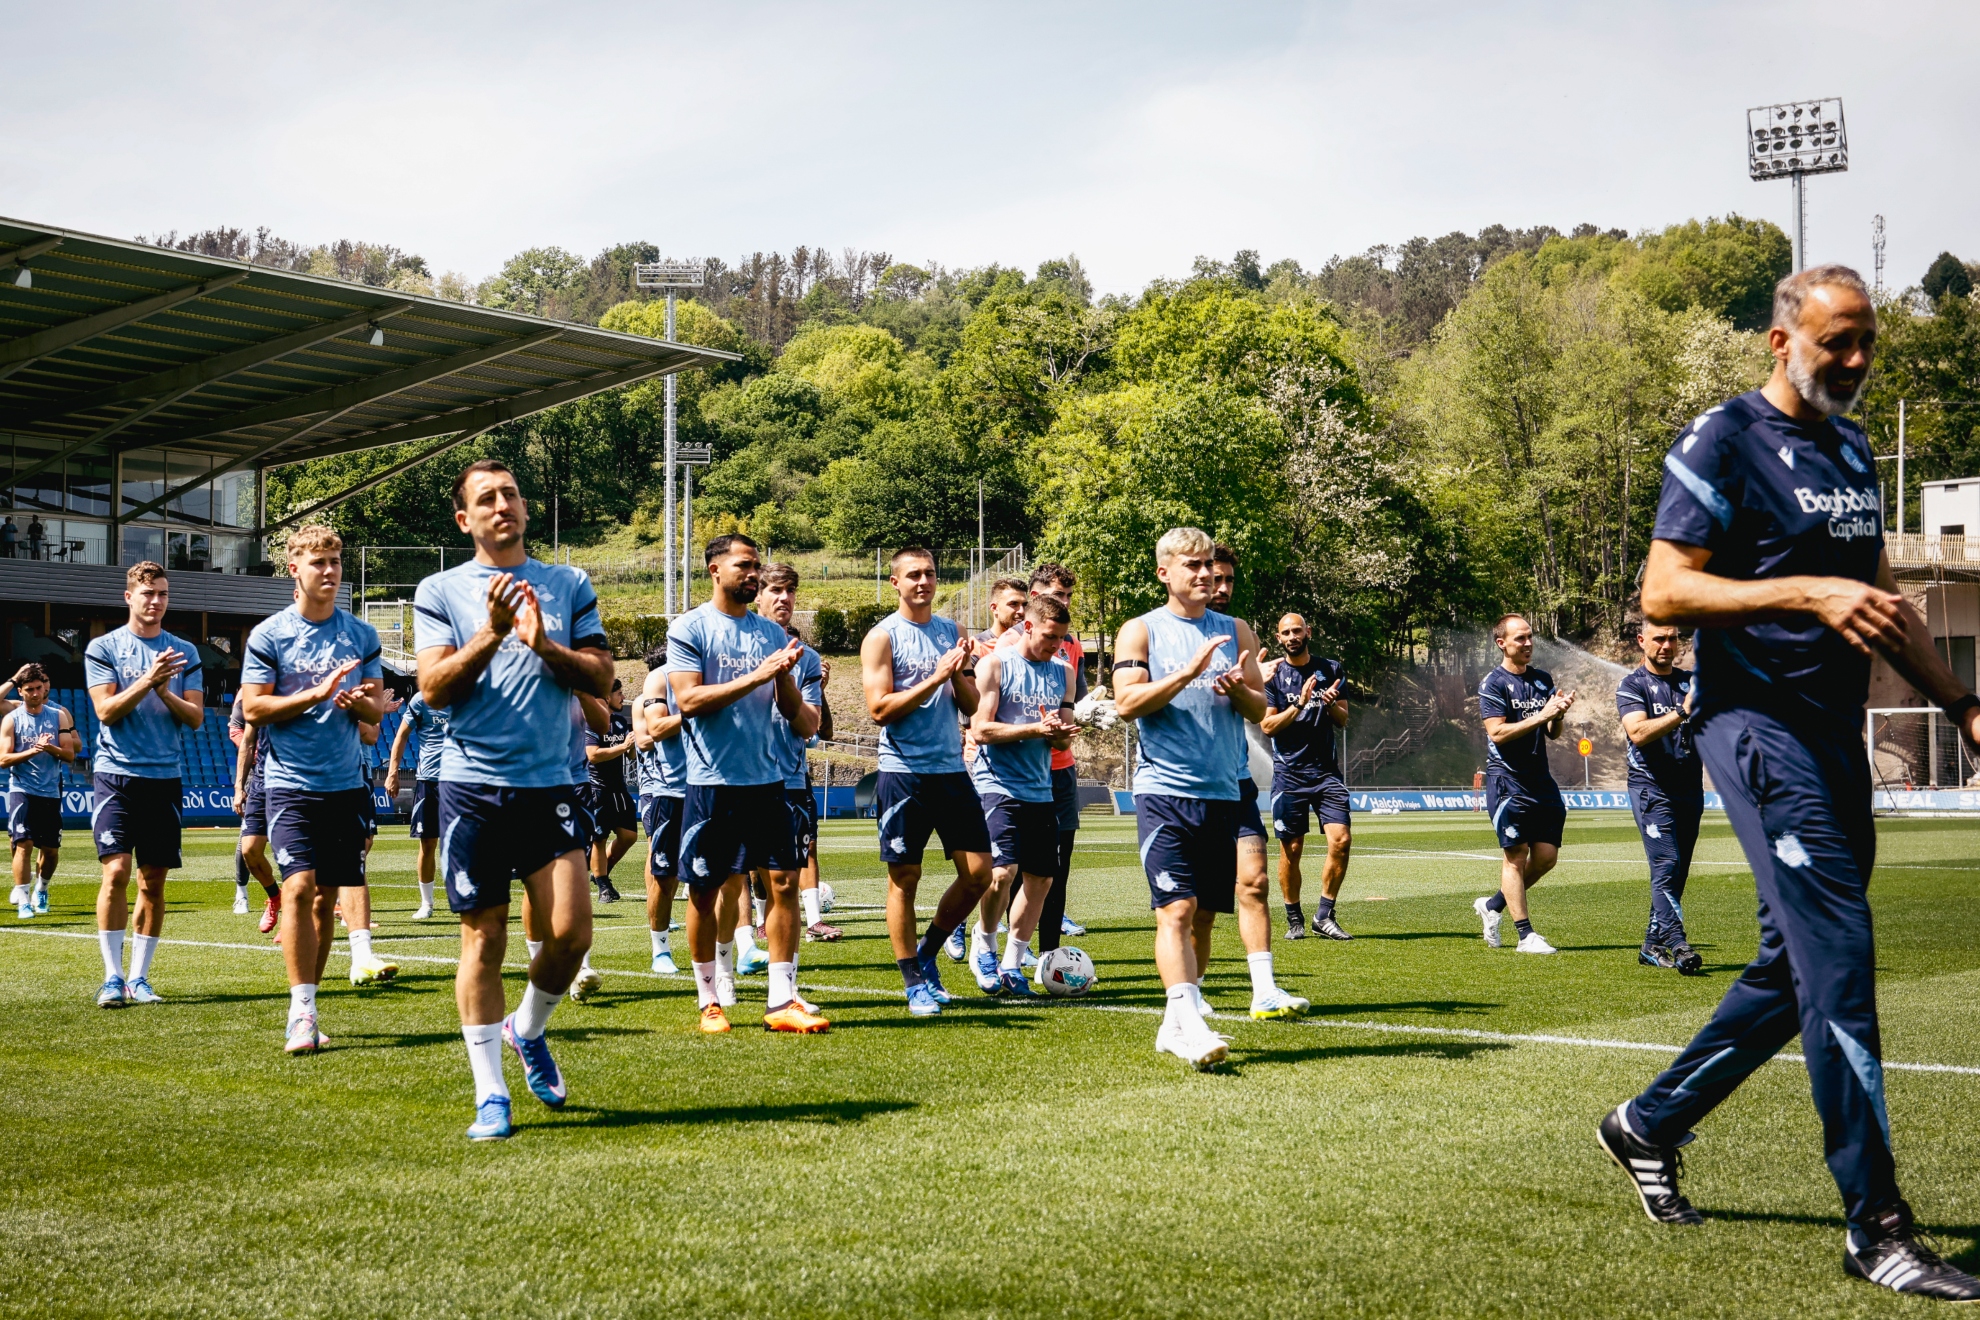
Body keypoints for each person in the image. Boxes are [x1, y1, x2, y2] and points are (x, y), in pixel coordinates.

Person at [1596, 265, 1980, 1302]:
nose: (1854, 364)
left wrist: (1962, 707)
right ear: (1780, 341)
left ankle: (1648, 1121)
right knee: (1842, 961)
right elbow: (1665, 589)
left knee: (1794, 968)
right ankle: (1879, 1226)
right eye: (1835, 343)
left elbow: (1886, 602)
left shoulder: (1852, 448)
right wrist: (1803, 590)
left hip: (1831, 737)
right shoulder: (1722, 440)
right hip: (1756, 732)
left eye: (1867, 345)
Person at [414, 459, 614, 1142]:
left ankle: (526, 1028)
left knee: (572, 934)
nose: (503, 505)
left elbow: (600, 674)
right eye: (486, 499)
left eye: (511, 494)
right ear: (465, 519)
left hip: (553, 784)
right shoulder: (440, 589)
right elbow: (434, 687)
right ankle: (490, 1094)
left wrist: (542, 641)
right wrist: (493, 632)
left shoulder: (569, 583)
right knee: (484, 939)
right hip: (472, 788)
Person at [1113, 527, 1266, 1069]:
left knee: (1202, 916)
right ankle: (1188, 1019)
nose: (1203, 575)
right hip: (1165, 792)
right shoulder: (1141, 632)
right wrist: (1186, 674)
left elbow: (1260, 712)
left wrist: (1238, 689)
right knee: (1175, 908)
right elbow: (1128, 703)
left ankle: (1177, 1021)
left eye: (1208, 565)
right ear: (1164, 573)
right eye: (1191, 566)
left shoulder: (1236, 629)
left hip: (1223, 793)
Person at [667, 534, 828, 1035]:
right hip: (712, 783)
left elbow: (799, 720)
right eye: (743, 565)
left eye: (756, 565)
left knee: (782, 884)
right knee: (704, 892)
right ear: (715, 569)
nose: (753, 573)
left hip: (769, 782)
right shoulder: (689, 627)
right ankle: (709, 999)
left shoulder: (773, 635)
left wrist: (782, 677)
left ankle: (782, 1000)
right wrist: (758, 676)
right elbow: (689, 701)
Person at [238, 525, 390, 1053]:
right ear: (294, 570)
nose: (329, 570)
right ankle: (299, 1014)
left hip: (346, 785)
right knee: (299, 888)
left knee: (327, 901)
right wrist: (314, 695)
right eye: (318, 562)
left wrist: (357, 703)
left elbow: (376, 710)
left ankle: (312, 1002)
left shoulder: (361, 635)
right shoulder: (270, 635)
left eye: (336, 561)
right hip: (289, 784)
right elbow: (254, 708)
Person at [860, 546, 995, 1017]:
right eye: (913, 575)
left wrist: (957, 674)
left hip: (951, 771)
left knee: (980, 873)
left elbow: (974, 704)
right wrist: (935, 677)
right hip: (903, 773)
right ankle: (913, 981)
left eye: (930, 574)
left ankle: (928, 953)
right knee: (905, 877)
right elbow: (879, 711)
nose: (924, 582)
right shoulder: (882, 637)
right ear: (895, 582)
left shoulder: (952, 632)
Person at [84, 561, 203, 1007]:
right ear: (128, 597)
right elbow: (105, 711)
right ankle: (112, 977)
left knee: (153, 880)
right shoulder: (104, 647)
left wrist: (164, 690)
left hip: (164, 778)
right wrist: (148, 681)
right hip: (115, 774)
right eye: (148, 593)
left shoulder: (185, 651)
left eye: (163, 595)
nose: (156, 602)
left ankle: (139, 978)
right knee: (115, 872)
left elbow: (194, 717)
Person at [1208, 545, 1308, 1019]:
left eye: (1229, 579)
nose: (1223, 588)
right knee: (1198, 905)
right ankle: (1190, 993)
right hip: (1184, 787)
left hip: (1237, 779)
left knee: (1254, 882)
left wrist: (1254, 684)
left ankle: (1264, 989)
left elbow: (1258, 711)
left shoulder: (1237, 633)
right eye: (1215, 578)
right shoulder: (1157, 633)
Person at [969, 595, 1078, 997]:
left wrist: (1069, 728)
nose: (1057, 646)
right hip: (997, 783)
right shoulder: (996, 664)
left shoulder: (1063, 671)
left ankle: (1013, 963)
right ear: (1028, 626)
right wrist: (1036, 729)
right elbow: (981, 730)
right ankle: (984, 944)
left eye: (1063, 639)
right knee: (1001, 874)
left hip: (1041, 787)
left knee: (1042, 880)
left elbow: (1062, 728)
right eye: (1051, 637)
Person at [1472, 614, 1573, 955]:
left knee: (1546, 857)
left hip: (1540, 780)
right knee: (1516, 855)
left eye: (1530, 637)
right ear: (1502, 644)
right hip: (1507, 781)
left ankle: (1493, 904)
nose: (1528, 643)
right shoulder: (1493, 684)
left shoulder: (1543, 679)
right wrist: (1543, 715)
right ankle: (1525, 935)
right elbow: (1497, 733)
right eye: (1520, 639)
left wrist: (1557, 715)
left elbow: (1551, 733)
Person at [1615, 615, 1704, 974]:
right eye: (1658, 639)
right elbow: (1637, 732)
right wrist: (1684, 710)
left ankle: (1652, 946)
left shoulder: (1691, 682)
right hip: (1651, 789)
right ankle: (1678, 943)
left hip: (1689, 788)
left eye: (1672, 639)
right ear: (1641, 640)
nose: (1666, 646)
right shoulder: (1631, 685)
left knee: (1678, 870)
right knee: (1665, 863)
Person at [757, 563, 840, 944]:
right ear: (757, 594)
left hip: (789, 773)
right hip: (739, 772)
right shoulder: (736, 643)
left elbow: (812, 726)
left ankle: (809, 923)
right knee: (741, 866)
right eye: (775, 589)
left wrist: (798, 682)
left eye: (790, 590)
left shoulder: (807, 657)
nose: (784, 598)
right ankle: (742, 942)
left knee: (804, 849)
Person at [1261, 613, 1353, 941]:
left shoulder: (1331, 669)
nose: (1292, 636)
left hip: (1327, 773)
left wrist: (1329, 705)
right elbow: (1267, 726)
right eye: (1285, 632)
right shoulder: (1273, 675)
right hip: (1289, 775)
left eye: (1296, 630)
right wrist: (1299, 705)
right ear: (1278, 637)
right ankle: (1294, 917)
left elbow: (1343, 719)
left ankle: (1324, 915)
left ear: (1308, 632)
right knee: (1292, 848)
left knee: (1341, 841)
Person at [3, 664, 77, 919]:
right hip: (21, 788)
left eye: (39, 688)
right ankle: (23, 897)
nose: (36, 693)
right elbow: (3, 759)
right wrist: (32, 751)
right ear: (21, 691)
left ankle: (41, 888)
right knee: (23, 842)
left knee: (51, 850)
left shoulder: (59, 716)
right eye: (30, 689)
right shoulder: (11, 719)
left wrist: (49, 749)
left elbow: (69, 754)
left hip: (50, 790)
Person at [630, 646, 687, 973]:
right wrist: (687, 716)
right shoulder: (645, 698)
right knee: (657, 856)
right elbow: (645, 739)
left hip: (699, 784)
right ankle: (660, 941)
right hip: (657, 786)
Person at [384, 689, 450, 919]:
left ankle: (467, 898)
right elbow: (401, 734)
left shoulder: (468, 694)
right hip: (428, 780)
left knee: (465, 843)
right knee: (428, 842)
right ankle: (427, 903)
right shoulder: (422, 699)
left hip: (461, 780)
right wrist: (393, 772)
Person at [581, 678, 639, 905]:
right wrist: (622, 747)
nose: (623, 698)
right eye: (619, 694)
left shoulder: (619, 721)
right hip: (597, 789)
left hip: (619, 788)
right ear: (606, 697)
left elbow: (630, 756)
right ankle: (604, 886)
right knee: (599, 838)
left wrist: (631, 747)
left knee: (629, 836)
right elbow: (593, 755)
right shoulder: (591, 722)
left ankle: (600, 874)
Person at [229, 698, 282, 925]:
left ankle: (293, 917)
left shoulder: (302, 688)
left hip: (291, 781)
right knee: (250, 850)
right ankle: (275, 897)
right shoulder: (255, 695)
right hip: (259, 780)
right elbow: (247, 742)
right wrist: (239, 787)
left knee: (290, 853)